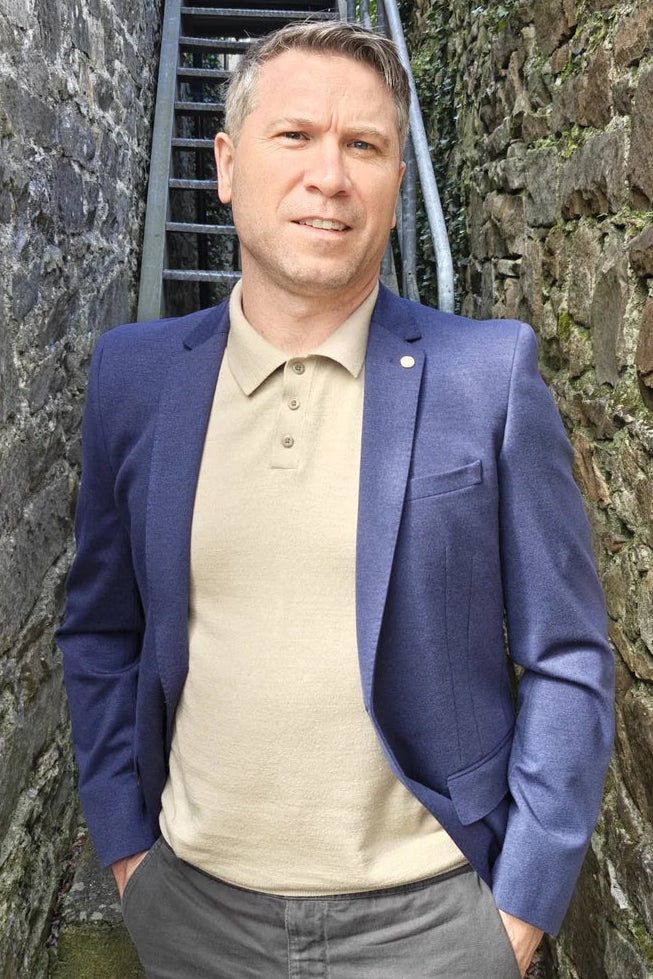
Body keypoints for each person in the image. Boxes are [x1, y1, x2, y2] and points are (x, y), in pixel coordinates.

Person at [57, 21, 614, 979]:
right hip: (192, 911)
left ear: (397, 181)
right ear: (227, 164)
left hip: (433, 923)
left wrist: (518, 908)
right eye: (295, 136)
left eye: (364, 145)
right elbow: (100, 629)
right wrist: (127, 853)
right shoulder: (135, 379)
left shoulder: (486, 374)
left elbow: (566, 652)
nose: (331, 174)